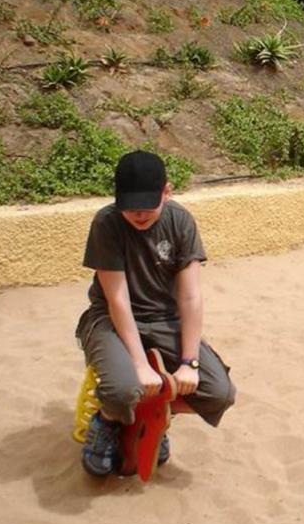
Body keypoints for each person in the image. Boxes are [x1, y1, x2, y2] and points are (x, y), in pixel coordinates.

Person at [76, 150, 236, 477]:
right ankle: (108, 418)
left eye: (148, 204)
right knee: (124, 389)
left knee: (220, 392)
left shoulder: (180, 222)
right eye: (130, 206)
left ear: (167, 191)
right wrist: (137, 363)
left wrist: (189, 362)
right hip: (111, 318)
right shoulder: (106, 223)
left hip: (165, 317)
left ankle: (156, 416)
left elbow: (190, 297)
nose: (138, 214)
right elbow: (117, 299)